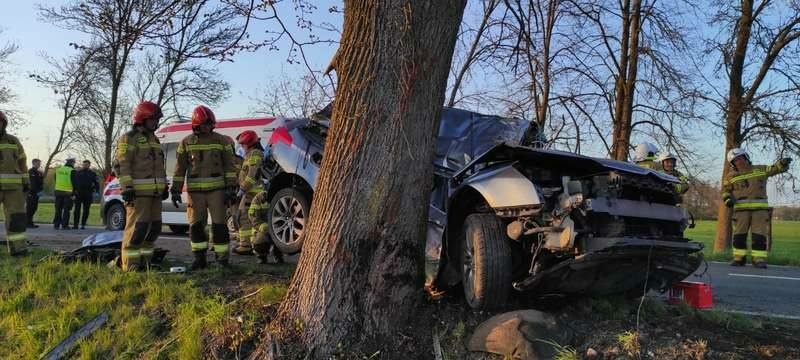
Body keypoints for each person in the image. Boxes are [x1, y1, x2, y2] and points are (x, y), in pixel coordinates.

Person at [171, 105, 237, 270]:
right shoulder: (186, 142)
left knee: (219, 225)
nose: (208, 127)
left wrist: (231, 188)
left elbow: (230, 166)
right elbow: (179, 168)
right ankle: (199, 259)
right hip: (195, 193)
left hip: (217, 191)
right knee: (196, 225)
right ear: (196, 124)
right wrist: (176, 189)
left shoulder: (221, 141)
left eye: (210, 124)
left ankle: (222, 260)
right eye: (205, 124)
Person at [115, 101, 168, 271]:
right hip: (138, 195)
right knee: (137, 230)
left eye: (157, 119)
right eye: (153, 119)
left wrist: (164, 186)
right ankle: (130, 266)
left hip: (155, 194)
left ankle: (146, 263)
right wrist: (127, 188)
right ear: (142, 118)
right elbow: (122, 165)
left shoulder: (154, 139)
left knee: (154, 229)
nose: (156, 123)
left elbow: (159, 166)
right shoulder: (128, 138)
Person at [722, 148, 792, 268]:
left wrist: (782, 163)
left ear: (746, 157)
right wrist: (727, 199)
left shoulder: (760, 169)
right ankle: (739, 259)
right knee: (739, 236)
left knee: (759, 236)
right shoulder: (730, 176)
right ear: (732, 163)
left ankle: (759, 260)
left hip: (759, 211)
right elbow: (725, 191)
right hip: (740, 212)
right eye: (736, 160)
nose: (739, 161)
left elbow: (775, 168)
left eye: (740, 158)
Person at [0, 110, 30, 256]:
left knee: (17, 219)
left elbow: (23, 162)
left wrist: (26, 181)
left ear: (4, 124)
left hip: (14, 189)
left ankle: (18, 249)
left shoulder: (13, 141)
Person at [234, 130, 264, 255]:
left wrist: (242, 189)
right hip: (250, 192)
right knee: (248, 218)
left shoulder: (255, 154)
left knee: (245, 218)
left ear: (249, 143)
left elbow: (252, 175)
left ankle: (246, 246)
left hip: (252, 193)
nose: (242, 147)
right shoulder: (251, 154)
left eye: (243, 145)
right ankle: (252, 245)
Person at [249, 189, 284, 264]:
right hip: (263, 229)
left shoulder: (283, 196)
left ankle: (278, 255)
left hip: (277, 228)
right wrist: (266, 227)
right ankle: (261, 256)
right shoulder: (259, 198)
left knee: (282, 235)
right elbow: (253, 217)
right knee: (260, 239)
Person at [72, 160, 100, 229]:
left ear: (89, 165)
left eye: (87, 164)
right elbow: (74, 183)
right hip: (78, 193)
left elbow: (97, 183)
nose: (85, 166)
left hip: (88, 193)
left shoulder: (92, 173)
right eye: (84, 164)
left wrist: (97, 191)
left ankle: (83, 224)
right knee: (77, 210)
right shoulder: (78, 173)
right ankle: (76, 225)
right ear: (82, 165)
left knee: (86, 210)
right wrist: (73, 192)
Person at [53, 155, 76, 230]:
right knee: (66, 209)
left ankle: (56, 224)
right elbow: (75, 183)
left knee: (58, 209)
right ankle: (64, 225)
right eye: (74, 162)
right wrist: (74, 193)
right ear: (72, 162)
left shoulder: (58, 169)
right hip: (68, 192)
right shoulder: (72, 171)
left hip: (58, 191)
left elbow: (55, 179)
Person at [26, 158, 44, 228]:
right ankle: (27, 223)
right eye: (38, 163)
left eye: (39, 164)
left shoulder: (38, 172)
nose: (39, 165)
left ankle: (30, 222)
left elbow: (39, 183)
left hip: (36, 193)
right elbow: (32, 184)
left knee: (34, 208)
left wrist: (42, 177)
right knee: (30, 208)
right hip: (31, 193)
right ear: (33, 163)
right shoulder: (31, 171)